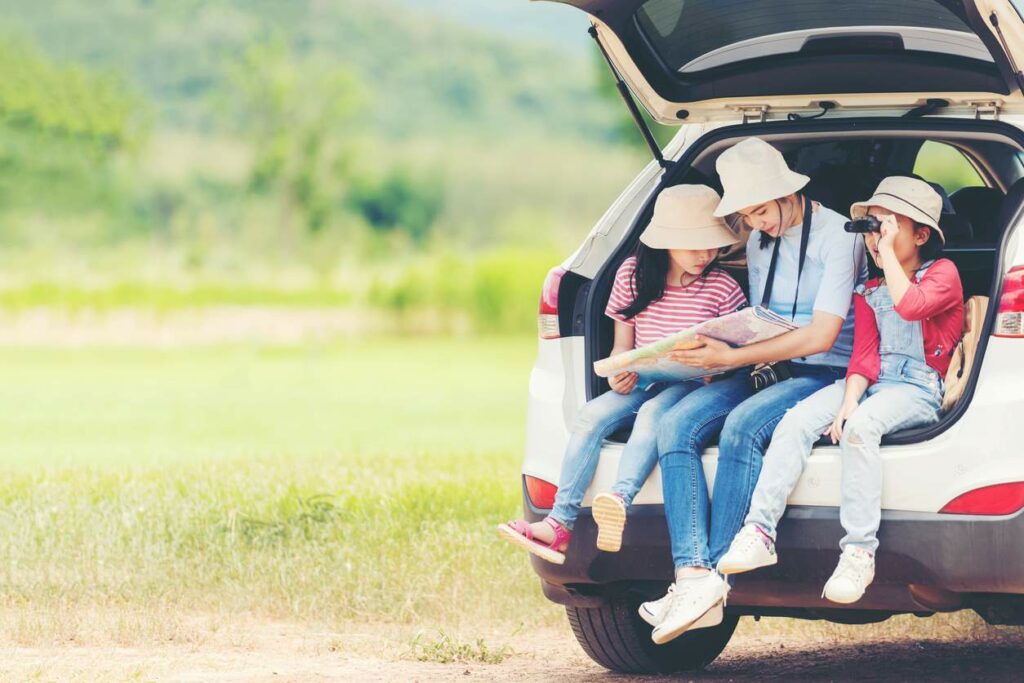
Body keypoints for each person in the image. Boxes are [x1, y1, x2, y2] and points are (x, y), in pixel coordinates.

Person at [645, 137, 866, 645]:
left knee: (744, 426)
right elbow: (758, 318)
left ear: (787, 193)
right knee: (675, 425)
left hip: (822, 371)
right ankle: (693, 576)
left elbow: (821, 336)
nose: (757, 223)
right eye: (746, 215)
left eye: (762, 210)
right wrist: (715, 342)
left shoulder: (840, 237)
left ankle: (716, 580)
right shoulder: (758, 238)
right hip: (765, 363)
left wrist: (728, 358)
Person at [717, 176, 963, 604]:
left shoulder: (942, 274)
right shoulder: (869, 289)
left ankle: (858, 551)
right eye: (870, 229)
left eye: (885, 228)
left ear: (921, 235)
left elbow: (911, 306)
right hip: (872, 382)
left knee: (860, 429)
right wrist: (848, 399)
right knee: (794, 423)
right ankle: (759, 530)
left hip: (918, 387)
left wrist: (885, 254)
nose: (874, 239)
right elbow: (864, 356)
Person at [497, 185, 746, 564]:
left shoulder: (722, 288)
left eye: (711, 245)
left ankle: (618, 498)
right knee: (589, 416)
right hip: (643, 378)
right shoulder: (631, 275)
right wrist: (620, 372)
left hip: (691, 384)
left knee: (651, 417)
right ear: (665, 242)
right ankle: (559, 525)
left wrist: (716, 365)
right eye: (694, 245)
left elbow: (736, 354)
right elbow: (621, 346)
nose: (705, 255)